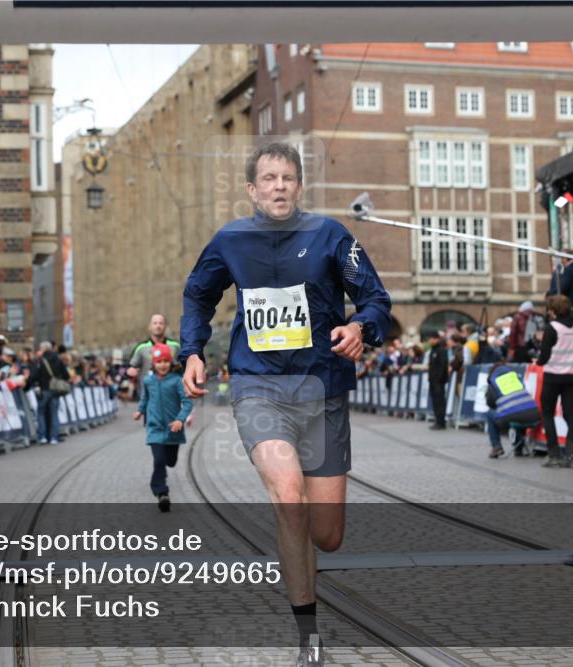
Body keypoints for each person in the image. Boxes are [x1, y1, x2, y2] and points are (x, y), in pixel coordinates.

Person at [179, 141, 391, 666]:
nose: (279, 186)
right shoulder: (229, 240)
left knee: (328, 534)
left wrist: (360, 326)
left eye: (288, 178)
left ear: (299, 186)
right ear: (252, 189)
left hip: (322, 391)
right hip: (258, 387)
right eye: (269, 178)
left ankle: (310, 590)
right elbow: (197, 294)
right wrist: (191, 351)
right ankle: (309, 637)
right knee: (289, 495)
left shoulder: (330, 235)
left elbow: (376, 299)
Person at [133, 343, 192, 512]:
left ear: (171, 363)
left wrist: (180, 419)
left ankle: (162, 479)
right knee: (159, 460)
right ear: (154, 364)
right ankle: (161, 492)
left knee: (170, 462)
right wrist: (139, 411)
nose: (163, 365)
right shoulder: (148, 381)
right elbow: (145, 399)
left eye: (166, 361)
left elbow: (187, 403)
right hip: (154, 428)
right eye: (159, 362)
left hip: (174, 430)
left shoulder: (176, 381)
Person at [537, 295, 573, 468]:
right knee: (571, 415)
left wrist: (538, 362)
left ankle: (554, 454)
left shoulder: (552, 328)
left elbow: (545, 355)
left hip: (553, 376)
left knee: (548, 414)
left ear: (553, 311)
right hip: (572, 375)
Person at [483, 360, 540, 458]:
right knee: (518, 411)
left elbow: (490, 403)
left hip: (514, 417)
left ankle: (496, 447)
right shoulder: (516, 378)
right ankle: (519, 449)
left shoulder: (493, 381)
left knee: (490, 414)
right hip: (534, 416)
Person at [128, 314, 181, 396]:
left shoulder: (175, 346)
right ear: (149, 327)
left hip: (171, 394)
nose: (158, 326)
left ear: (165, 326)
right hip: (148, 394)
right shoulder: (141, 347)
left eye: (161, 323)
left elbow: (184, 366)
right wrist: (130, 371)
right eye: (155, 323)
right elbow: (131, 368)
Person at [29, 341, 68, 444]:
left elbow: (33, 376)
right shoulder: (58, 360)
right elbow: (66, 375)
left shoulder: (40, 360)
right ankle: (54, 437)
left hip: (44, 389)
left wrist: (27, 386)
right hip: (55, 390)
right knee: (54, 414)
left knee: (41, 413)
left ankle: (43, 436)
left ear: (43, 349)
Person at [426, 331, 450, 430]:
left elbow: (443, 366)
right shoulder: (432, 351)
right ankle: (437, 420)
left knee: (440, 401)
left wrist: (439, 379)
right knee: (435, 401)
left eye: (432, 339)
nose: (430, 341)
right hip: (432, 380)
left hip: (439, 381)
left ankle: (441, 422)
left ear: (437, 339)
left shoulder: (442, 350)